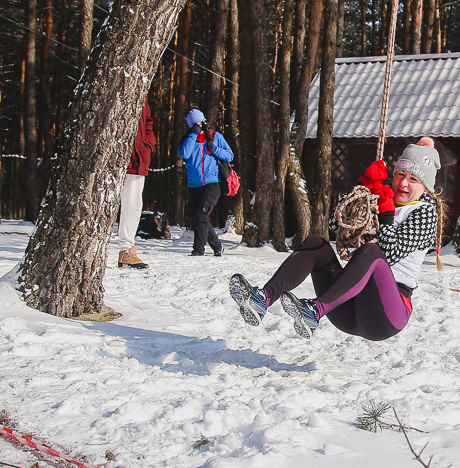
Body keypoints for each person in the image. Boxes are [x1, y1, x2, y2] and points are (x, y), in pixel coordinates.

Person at [229, 137, 446, 341]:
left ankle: (314, 311)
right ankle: (262, 299)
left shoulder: (425, 212)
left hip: (386, 316)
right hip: (348, 311)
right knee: (316, 244)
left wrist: (387, 212)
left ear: (425, 187)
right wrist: (363, 187)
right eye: (401, 174)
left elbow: (390, 253)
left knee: (372, 252)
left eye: (413, 179)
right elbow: (336, 225)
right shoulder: (380, 197)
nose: (404, 183)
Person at [178, 108, 234, 257]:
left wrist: (215, 149)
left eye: (200, 122)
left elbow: (230, 155)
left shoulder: (215, 137)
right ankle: (217, 246)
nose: (199, 126)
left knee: (202, 214)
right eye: (195, 124)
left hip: (212, 182)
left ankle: (198, 250)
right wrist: (193, 135)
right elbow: (183, 153)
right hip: (194, 184)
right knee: (199, 216)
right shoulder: (189, 139)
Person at [117, 98, 156, 269]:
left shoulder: (142, 90)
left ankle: (126, 251)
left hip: (137, 158)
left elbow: (148, 122)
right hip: (114, 156)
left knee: (133, 206)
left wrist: (148, 145)